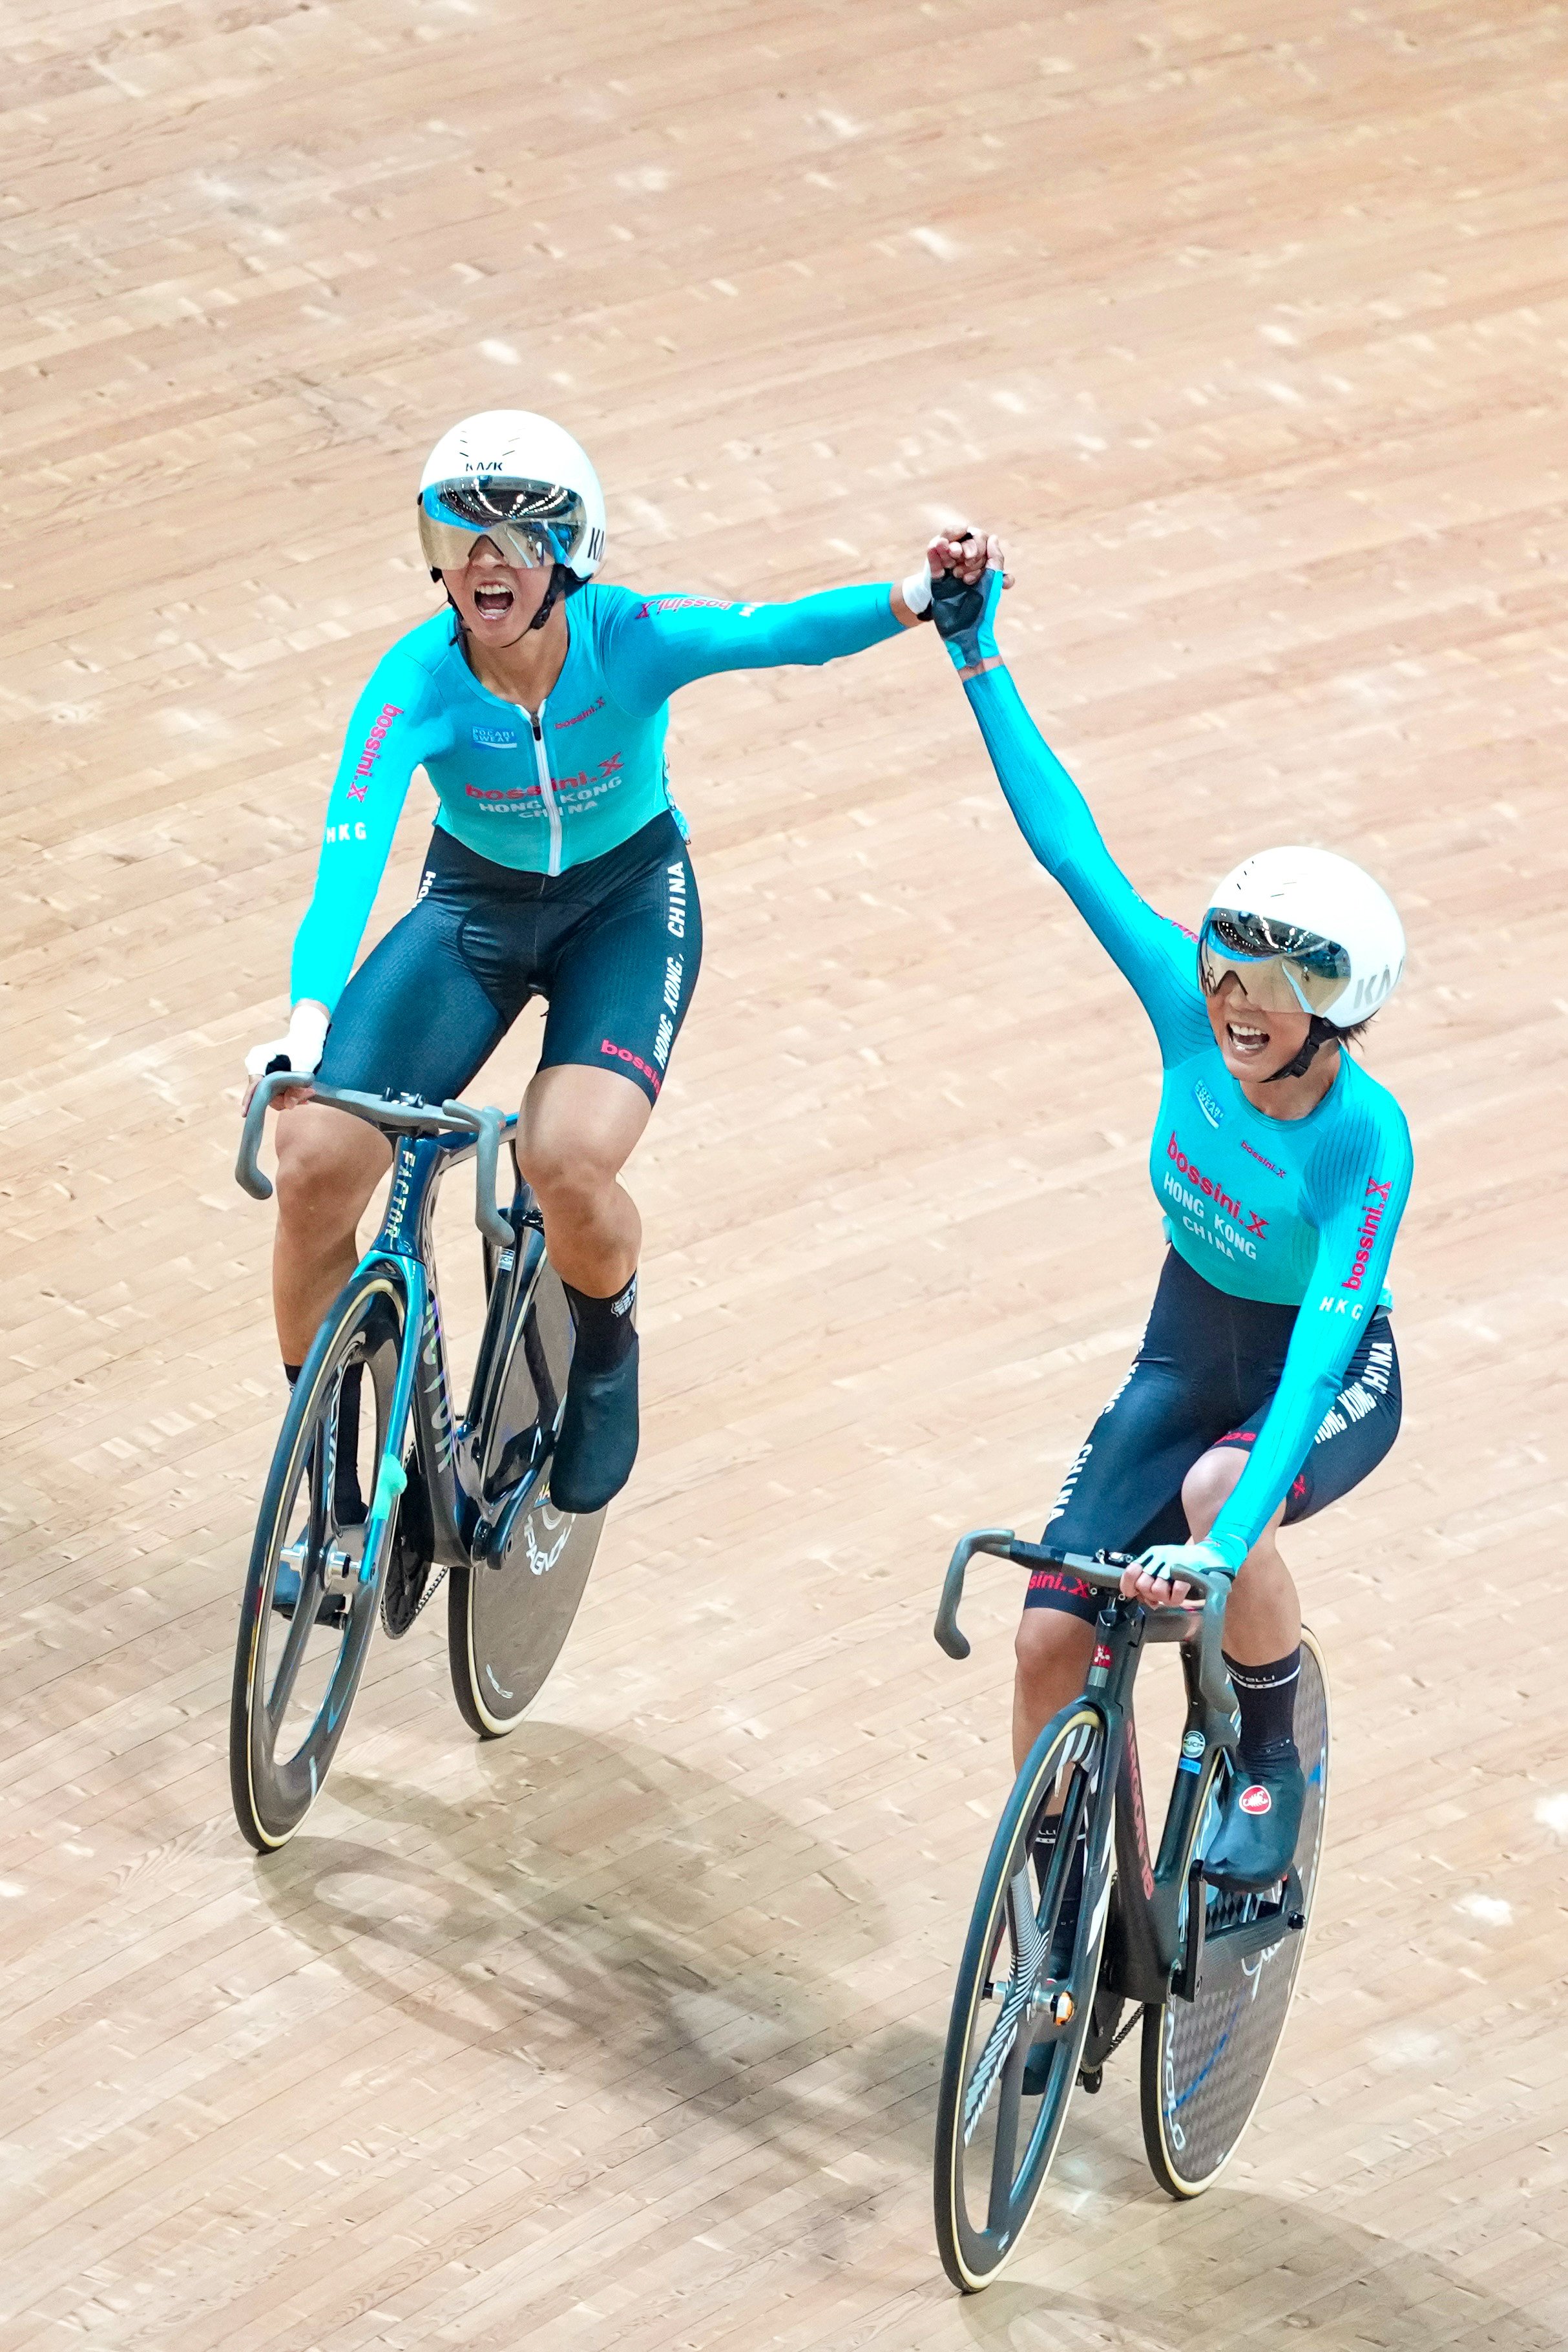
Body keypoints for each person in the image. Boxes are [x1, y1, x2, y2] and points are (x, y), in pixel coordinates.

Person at [246, 408, 1003, 1546]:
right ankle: (337, 1470)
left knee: (564, 1157)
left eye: (519, 538)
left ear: (572, 555)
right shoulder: (412, 681)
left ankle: (606, 1347)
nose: (486, 564)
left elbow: (775, 632)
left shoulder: (628, 635)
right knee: (309, 1158)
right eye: (462, 536)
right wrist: (306, 1026)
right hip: (473, 913)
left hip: (628, 907)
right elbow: (348, 857)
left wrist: (914, 595)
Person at [932, 551, 1412, 1894]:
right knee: (1043, 1637)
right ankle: (1057, 1916)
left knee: (1213, 1492)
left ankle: (1267, 1752)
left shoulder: (1362, 1140)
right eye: (1223, 967)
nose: (1236, 1000)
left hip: (1316, 1371)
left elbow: (1320, 1354)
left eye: (1273, 985)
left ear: (1341, 1011)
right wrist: (976, 655)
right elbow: (1066, 845)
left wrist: (1217, 1539)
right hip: (1183, 1350)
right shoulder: (1182, 1010)